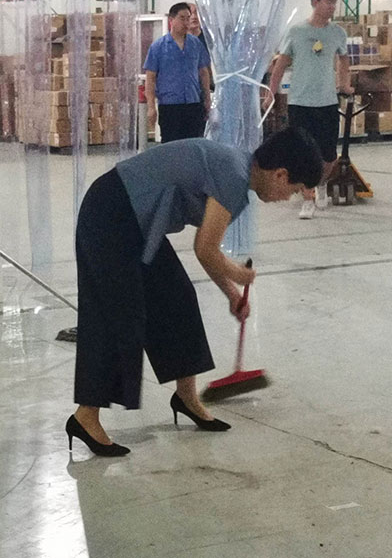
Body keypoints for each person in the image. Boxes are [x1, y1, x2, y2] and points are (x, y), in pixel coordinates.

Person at [66, 127, 323, 457]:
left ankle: (186, 398)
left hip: (137, 221)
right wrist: (238, 275)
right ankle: (85, 418)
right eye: (294, 190)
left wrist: (232, 295)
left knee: (178, 298)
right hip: (111, 212)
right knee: (120, 315)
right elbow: (206, 249)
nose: (287, 198)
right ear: (280, 174)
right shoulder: (233, 175)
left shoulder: (239, 175)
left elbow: (208, 250)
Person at [263, 0, 352, 219]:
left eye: (334, 3)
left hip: (327, 102)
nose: (332, 7)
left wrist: (344, 84)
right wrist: (271, 93)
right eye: (328, 2)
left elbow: (343, 59)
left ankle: (320, 183)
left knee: (329, 155)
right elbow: (280, 64)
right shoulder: (296, 32)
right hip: (300, 103)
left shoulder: (337, 33)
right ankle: (308, 198)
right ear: (315, 2)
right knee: (303, 153)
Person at [144, 2, 212, 143]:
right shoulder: (158, 47)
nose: (186, 22)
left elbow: (203, 72)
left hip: (193, 104)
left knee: (194, 144)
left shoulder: (196, 44)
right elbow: (150, 78)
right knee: (172, 145)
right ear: (171, 20)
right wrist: (151, 107)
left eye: (188, 18)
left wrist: (207, 99)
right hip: (170, 106)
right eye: (182, 18)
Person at [188, 2, 215, 94]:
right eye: (191, 13)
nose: (194, 17)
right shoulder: (179, 40)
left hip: (206, 85)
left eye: (196, 13)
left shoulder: (208, 37)